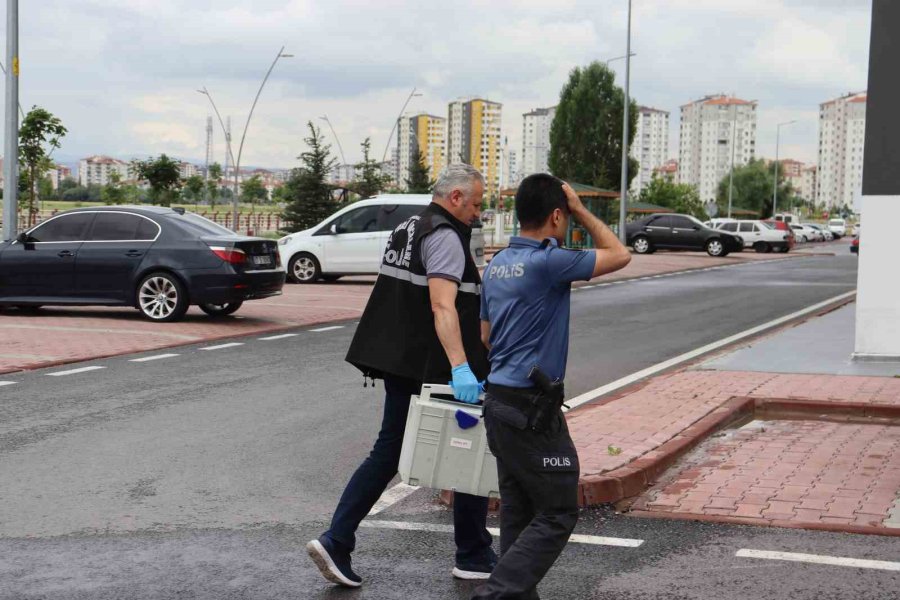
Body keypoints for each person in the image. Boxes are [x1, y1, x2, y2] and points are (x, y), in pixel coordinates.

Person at [306, 164, 496, 588]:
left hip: (402, 361)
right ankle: (473, 553)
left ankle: (337, 539)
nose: (478, 213)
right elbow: (442, 307)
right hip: (437, 365)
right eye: (476, 204)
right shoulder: (445, 236)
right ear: (455, 198)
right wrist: (462, 368)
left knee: (388, 451)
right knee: (467, 448)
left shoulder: (409, 226)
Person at [473, 174, 632, 599]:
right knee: (559, 509)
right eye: (565, 215)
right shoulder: (550, 261)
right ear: (556, 215)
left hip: (499, 406)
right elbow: (620, 254)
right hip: (531, 411)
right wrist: (582, 210)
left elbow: (486, 338)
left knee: (519, 515)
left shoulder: (496, 265)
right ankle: (494, 595)